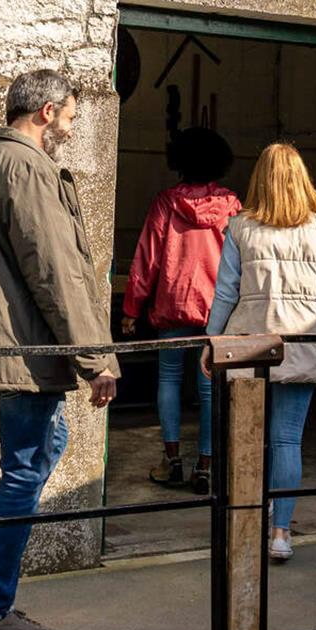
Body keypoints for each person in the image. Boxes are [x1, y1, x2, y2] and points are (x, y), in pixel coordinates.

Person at [0, 70, 119, 630]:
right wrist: (97, 359)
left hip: (7, 342)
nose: (71, 124)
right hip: (24, 347)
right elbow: (56, 272)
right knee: (23, 470)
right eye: (68, 113)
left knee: (46, 448)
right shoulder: (26, 168)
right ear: (45, 111)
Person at [203, 143, 316, 563]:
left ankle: (245, 522)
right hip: (301, 340)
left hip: (250, 344)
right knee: (286, 440)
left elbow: (226, 292)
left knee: (247, 438)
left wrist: (211, 341)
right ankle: (281, 533)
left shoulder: (241, 227)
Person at [120, 126, 239, 495]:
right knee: (208, 389)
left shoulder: (165, 203)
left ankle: (171, 462)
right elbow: (239, 263)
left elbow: (147, 258)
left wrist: (131, 307)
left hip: (172, 307)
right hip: (215, 313)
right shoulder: (232, 205)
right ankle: (205, 466)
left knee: (168, 380)